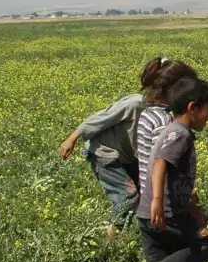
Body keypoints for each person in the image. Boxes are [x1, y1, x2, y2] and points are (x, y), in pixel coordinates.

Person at [57, 56, 176, 236]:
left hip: (124, 155)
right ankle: (113, 236)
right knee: (128, 195)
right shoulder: (135, 104)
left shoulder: (161, 113)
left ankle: (147, 229)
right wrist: (72, 138)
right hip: (104, 154)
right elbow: (100, 118)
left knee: (146, 188)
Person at [127, 77, 208, 262]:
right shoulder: (180, 134)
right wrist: (158, 199)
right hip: (165, 214)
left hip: (147, 214)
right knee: (204, 247)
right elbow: (160, 163)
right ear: (192, 108)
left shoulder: (170, 130)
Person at [135, 60, 199, 222]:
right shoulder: (164, 122)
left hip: (149, 198)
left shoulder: (148, 114)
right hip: (165, 205)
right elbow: (162, 162)